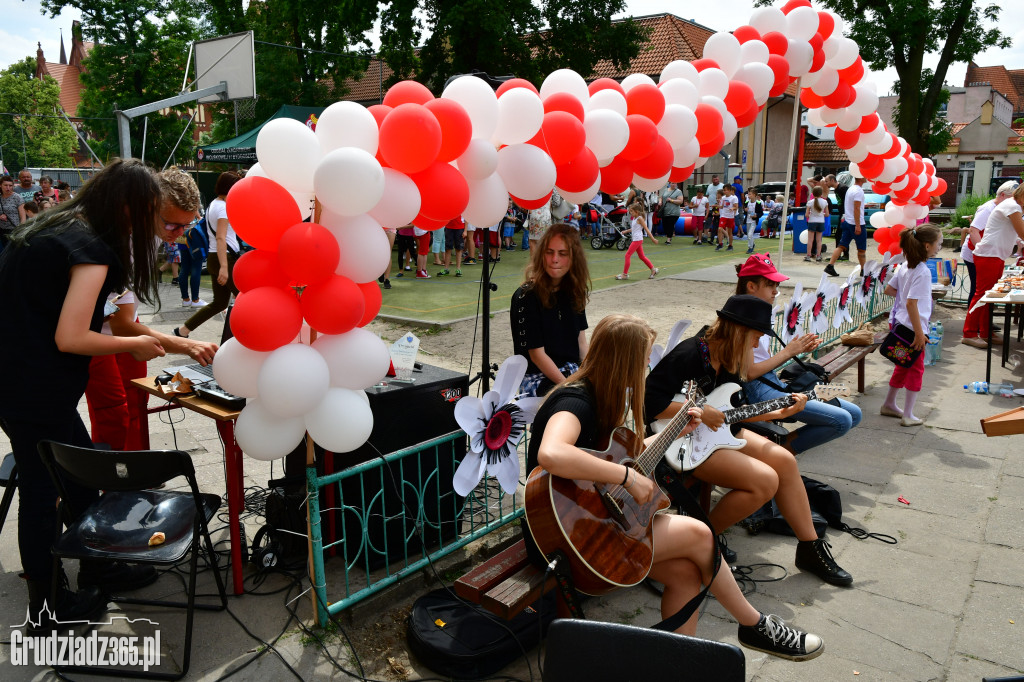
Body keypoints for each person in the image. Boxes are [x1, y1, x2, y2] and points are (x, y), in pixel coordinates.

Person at [525, 313, 824, 659]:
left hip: (589, 528)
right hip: (567, 539)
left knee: (685, 573)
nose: (644, 373)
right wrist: (627, 478)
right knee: (700, 535)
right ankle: (754, 626)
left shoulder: (600, 397)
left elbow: (624, 460)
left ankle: (681, 663)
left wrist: (673, 430)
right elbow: (552, 453)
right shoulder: (575, 402)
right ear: (625, 361)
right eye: (642, 362)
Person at [0, 159, 178, 631]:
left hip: (18, 381)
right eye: (148, 215)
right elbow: (71, 337)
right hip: (33, 390)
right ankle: (48, 608)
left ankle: (100, 563)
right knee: (42, 494)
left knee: (77, 478)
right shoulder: (91, 250)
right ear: (126, 209)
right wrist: (134, 344)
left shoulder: (55, 226)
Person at [645, 295, 854, 587]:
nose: (757, 345)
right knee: (765, 482)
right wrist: (702, 412)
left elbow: (732, 414)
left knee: (784, 460)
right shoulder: (690, 353)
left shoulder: (729, 360)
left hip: (714, 433)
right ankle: (703, 540)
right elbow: (648, 404)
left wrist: (782, 412)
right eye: (756, 337)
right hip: (679, 439)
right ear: (739, 331)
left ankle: (810, 547)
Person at [736, 253, 862, 453]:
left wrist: (798, 348)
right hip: (758, 389)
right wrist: (788, 352)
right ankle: (782, 451)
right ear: (751, 286)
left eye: (776, 286)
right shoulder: (741, 317)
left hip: (769, 381)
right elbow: (749, 373)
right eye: (771, 286)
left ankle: (781, 449)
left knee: (854, 414)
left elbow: (764, 360)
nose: (776, 292)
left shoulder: (758, 311)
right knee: (842, 419)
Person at [511, 223, 590, 397]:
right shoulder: (527, 296)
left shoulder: (575, 290)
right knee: (575, 402)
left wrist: (593, 373)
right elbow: (537, 356)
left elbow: (582, 343)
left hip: (572, 370)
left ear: (574, 258)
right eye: (549, 252)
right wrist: (568, 386)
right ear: (541, 255)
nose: (555, 259)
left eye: (562, 254)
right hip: (537, 377)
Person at [881, 225, 943, 424]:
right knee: (916, 369)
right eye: (939, 244)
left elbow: (890, 290)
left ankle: (889, 403)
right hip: (912, 328)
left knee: (903, 365)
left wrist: (907, 294)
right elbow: (911, 303)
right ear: (927, 246)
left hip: (899, 323)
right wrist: (919, 333)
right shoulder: (923, 271)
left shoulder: (905, 266)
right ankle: (908, 414)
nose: (940, 247)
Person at [174, 170, 242, 339]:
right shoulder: (223, 208)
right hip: (224, 258)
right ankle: (243, 336)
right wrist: (225, 268)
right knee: (246, 298)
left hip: (215, 257)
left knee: (219, 303)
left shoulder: (214, 204)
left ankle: (183, 330)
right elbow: (220, 237)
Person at [961, 183, 1024, 348]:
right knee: (982, 295)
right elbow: (1022, 232)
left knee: (989, 295)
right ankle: (969, 333)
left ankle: (985, 332)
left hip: (995, 255)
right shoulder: (1012, 206)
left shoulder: (1013, 205)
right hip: (989, 255)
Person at [961, 181, 1019, 310]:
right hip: (977, 253)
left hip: (985, 253)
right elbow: (973, 230)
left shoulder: (1003, 207)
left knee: (984, 289)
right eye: (1012, 197)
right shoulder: (988, 208)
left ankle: (983, 322)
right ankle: (975, 322)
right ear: (1002, 195)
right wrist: (981, 250)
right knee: (979, 289)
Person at [824, 173, 867, 276]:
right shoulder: (858, 191)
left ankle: (830, 266)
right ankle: (863, 270)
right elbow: (856, 208)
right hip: (856, 222)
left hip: (847, 221)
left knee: (841, 245)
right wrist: (857, 225)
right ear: (861, 178)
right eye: (865, 176)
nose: (867, 178)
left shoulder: (851, 189)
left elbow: (851, 205)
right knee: (861, 249)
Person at [615, 202, 659, 280]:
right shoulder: (635, 218)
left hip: (637, 240)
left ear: (636, 211)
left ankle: (624, 274)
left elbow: (646, 229)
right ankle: (653, 270)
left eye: (631, 211)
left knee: (627, 255)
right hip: (636, 239)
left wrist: (653, 239)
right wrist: (625, 231)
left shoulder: (640, 218)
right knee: (642, 256)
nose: (630, 213)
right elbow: (634, 229)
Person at [0, 174, 28, 245]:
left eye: (10, 185)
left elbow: (23, 217)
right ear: (1, 185)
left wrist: (21, 230)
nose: (8, 188)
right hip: (1, 230)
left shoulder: (17, 197)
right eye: (5, 185)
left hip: (14, 229)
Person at [805, 186, 828, 262]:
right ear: (821, 193)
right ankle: (818, 255)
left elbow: (807, 215)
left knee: (810, 240)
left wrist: (812, 214)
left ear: (813, 193)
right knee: (819, 240)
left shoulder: (810, 202)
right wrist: (822, 214)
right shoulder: (824, 202)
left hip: (812, 221)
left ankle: (808, 255)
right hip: (821, 221)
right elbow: (827, 214)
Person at [715, 184, 739, 251]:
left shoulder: (734, 198)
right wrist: (716, 206)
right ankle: (720, 244)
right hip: (724, 215)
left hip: (730, 217)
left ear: (729, 190)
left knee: (730, 232)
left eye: (725, 190)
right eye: (724, 190)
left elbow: (736, 207)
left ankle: (730, 245)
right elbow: (722, 206)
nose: (724, 192)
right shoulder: (723, 198)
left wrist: (732, 208)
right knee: (720, 228)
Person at [743, 188, 764, 254]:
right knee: (749, 234)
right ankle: (752, 244)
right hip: (748, 220)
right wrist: (745, 210)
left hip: (753, 221)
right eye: (748, 194)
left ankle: (750, 247)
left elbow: (761, 213)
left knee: (750, 234)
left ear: (754, 195)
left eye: (750, 194)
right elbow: (746, 211)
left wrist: (756, 215)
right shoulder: (747, 202)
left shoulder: (758, 203)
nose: (748, 196)